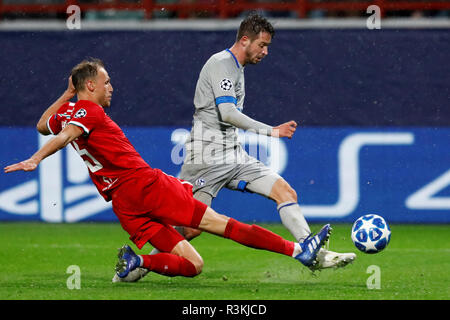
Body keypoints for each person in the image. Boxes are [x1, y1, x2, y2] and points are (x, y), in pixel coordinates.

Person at [4, 58, 333, 280]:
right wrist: (37, 159)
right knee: (221, 223)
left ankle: (138, 262)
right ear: (90, 87)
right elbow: (63, 136)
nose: (111, 87)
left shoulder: (71, 109)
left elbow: (43, 124)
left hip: (123, 202)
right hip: (143, 186)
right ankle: (298, 251)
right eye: (106, 82)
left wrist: (67, 93)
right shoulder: (89, 113)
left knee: (193, 265)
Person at [117, 13, 356, 283]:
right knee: (190, 228)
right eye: (262, 45)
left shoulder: (236, 69)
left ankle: (310, 249)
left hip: (232, 154)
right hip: (205, 157)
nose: (265, 52)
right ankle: (137, 265)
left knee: (283, 190)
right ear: (244, 40)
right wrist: (271, 131)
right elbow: (228, 113)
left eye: (267, 47)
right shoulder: (221, 63)